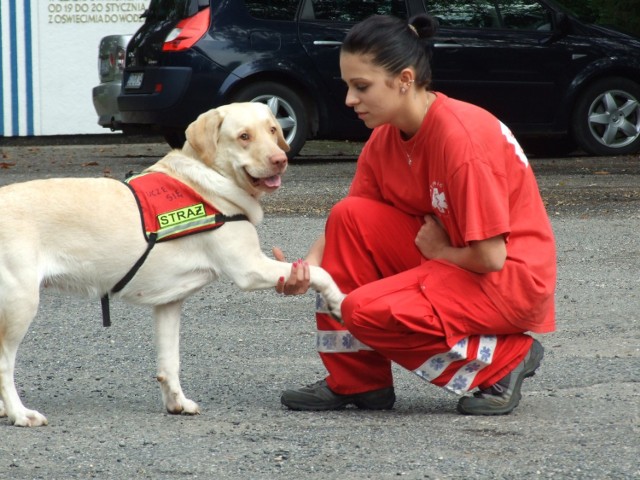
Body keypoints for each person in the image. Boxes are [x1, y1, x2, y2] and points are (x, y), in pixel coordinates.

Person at [273, 13, 556, 415]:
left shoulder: (463, 142)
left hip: (506, 277)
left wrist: (441, 252)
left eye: (361, 86)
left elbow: (492, 257)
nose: (349, 99)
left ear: (404, 80)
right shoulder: (385, 137)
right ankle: (359, 383)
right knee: (348, 215)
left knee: (364, 311)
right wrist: (306, 270)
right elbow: (348, 229)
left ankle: (506, 360)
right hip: (454, 259)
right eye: (348, 86)